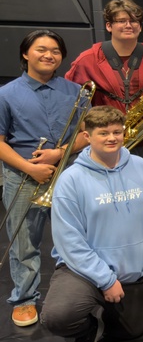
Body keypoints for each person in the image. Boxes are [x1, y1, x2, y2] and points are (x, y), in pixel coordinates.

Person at [42, 106, 143, 342]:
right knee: (59, 316)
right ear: (87, 137)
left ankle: (116, 310)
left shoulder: (141, 167)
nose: (112, 138)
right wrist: (105, 279)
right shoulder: (71, 179)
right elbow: (69, 241)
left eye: (117, 132)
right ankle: (85, 332)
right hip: (86, 272)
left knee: (129, 333)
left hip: (139, 269)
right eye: (103, 133)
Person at [66, 0, 143, 276]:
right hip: (112, 144)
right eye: (121, 20)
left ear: (140, 26)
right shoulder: (87, 59)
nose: (128, 25)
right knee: (116, 201)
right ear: (109, 25)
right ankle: (118, 251)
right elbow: (73, 99)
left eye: (134, 20)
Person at [0, 30, 88, 327]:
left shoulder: (76, 91)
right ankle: (24, 299)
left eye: (55, 51)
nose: (49, 55)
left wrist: (58, 153)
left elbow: (87, 134)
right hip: (24, 176)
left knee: (77, 237)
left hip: (69, 173)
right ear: (26, 54)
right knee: (25, 242)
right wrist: (31, 167)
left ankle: (82, 292)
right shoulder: (6, 94)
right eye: (41, 49)